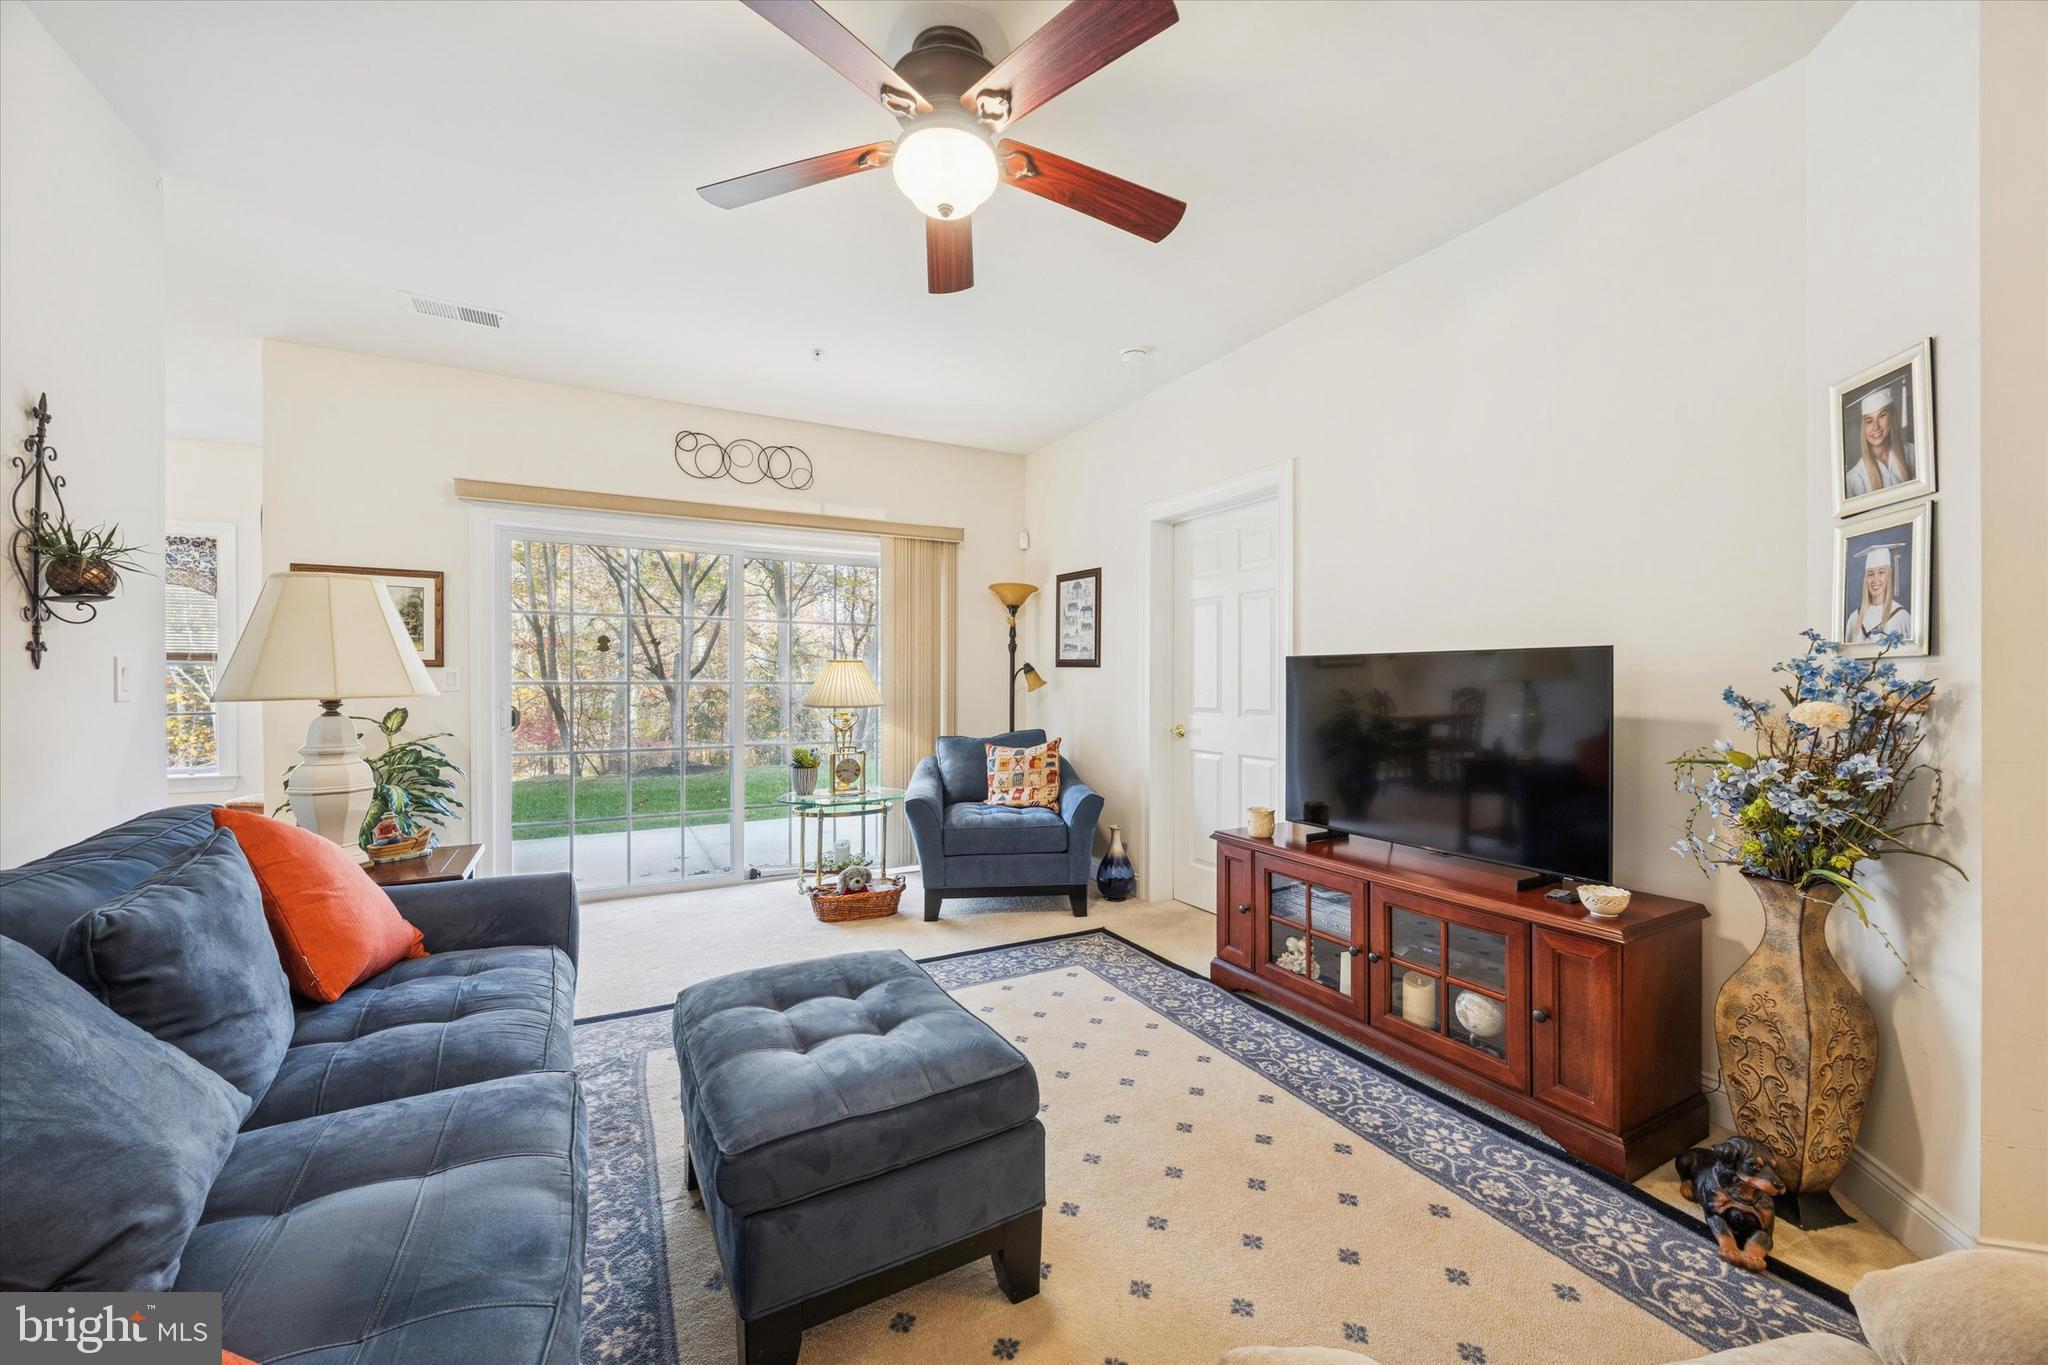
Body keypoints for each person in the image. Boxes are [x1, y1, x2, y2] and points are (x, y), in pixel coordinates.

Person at [1844, 386, 1913, 499]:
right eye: (1869, 421)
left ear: (1892, 416)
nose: (1876, 427)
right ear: (1863, 427)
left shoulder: (1912, 453)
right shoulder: (1855, 478)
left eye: (1882, 415)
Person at [1844, 543, 1912, 644]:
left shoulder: (1901, 616)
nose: (1875, 579)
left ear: (1889, 576)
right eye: (1870, 574)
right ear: (1865, 579)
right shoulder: (1854, 618)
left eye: (1881, 572)